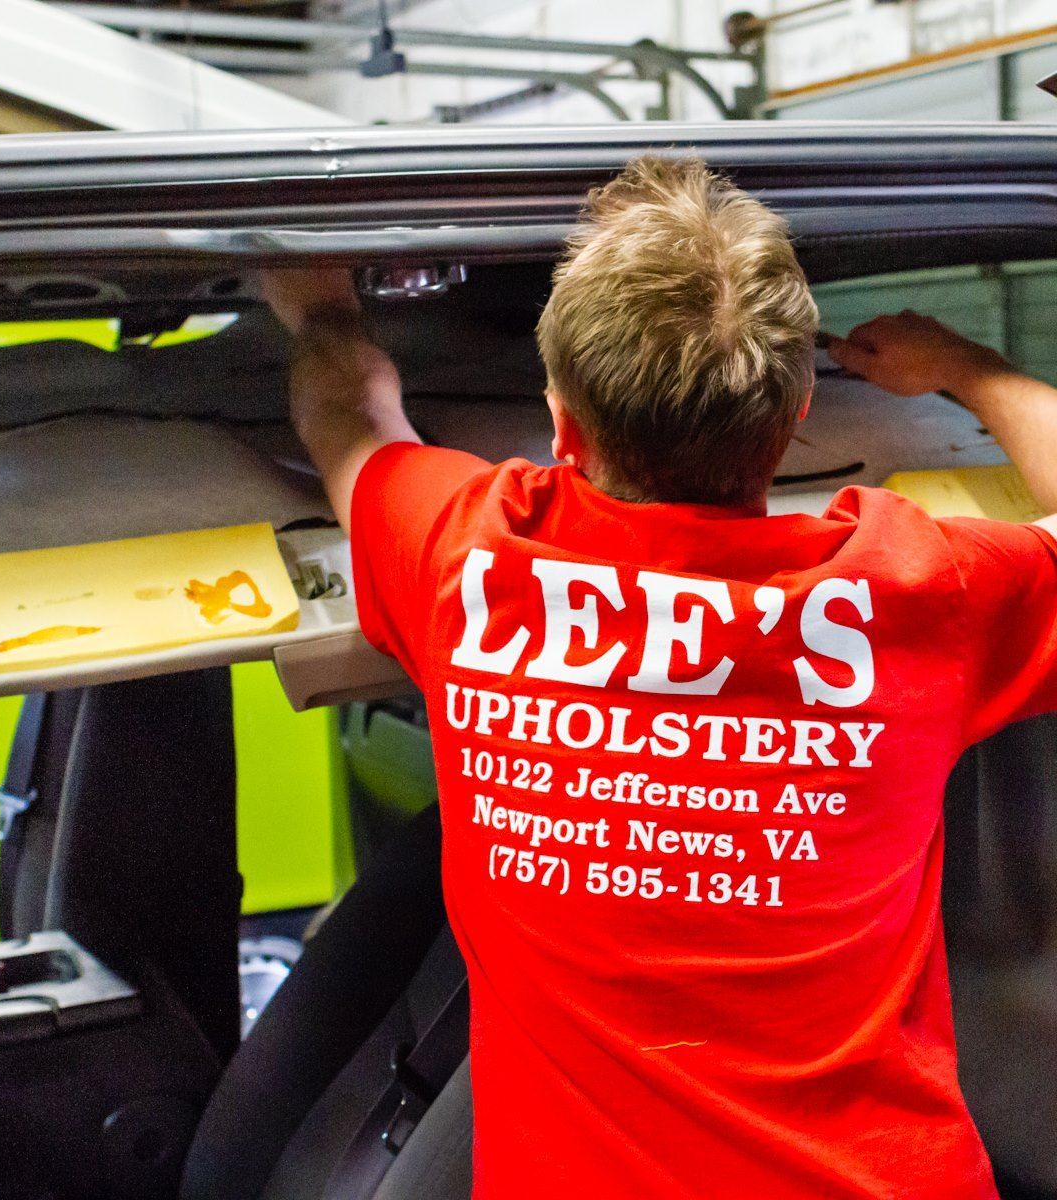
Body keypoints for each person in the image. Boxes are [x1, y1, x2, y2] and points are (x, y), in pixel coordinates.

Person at [260, 157, 1057, 1199]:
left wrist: (321, 306)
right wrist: (961, 363)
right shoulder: (916, 589)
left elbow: (350, 418)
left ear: (561, 423)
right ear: (799, 407)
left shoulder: (467, 559)